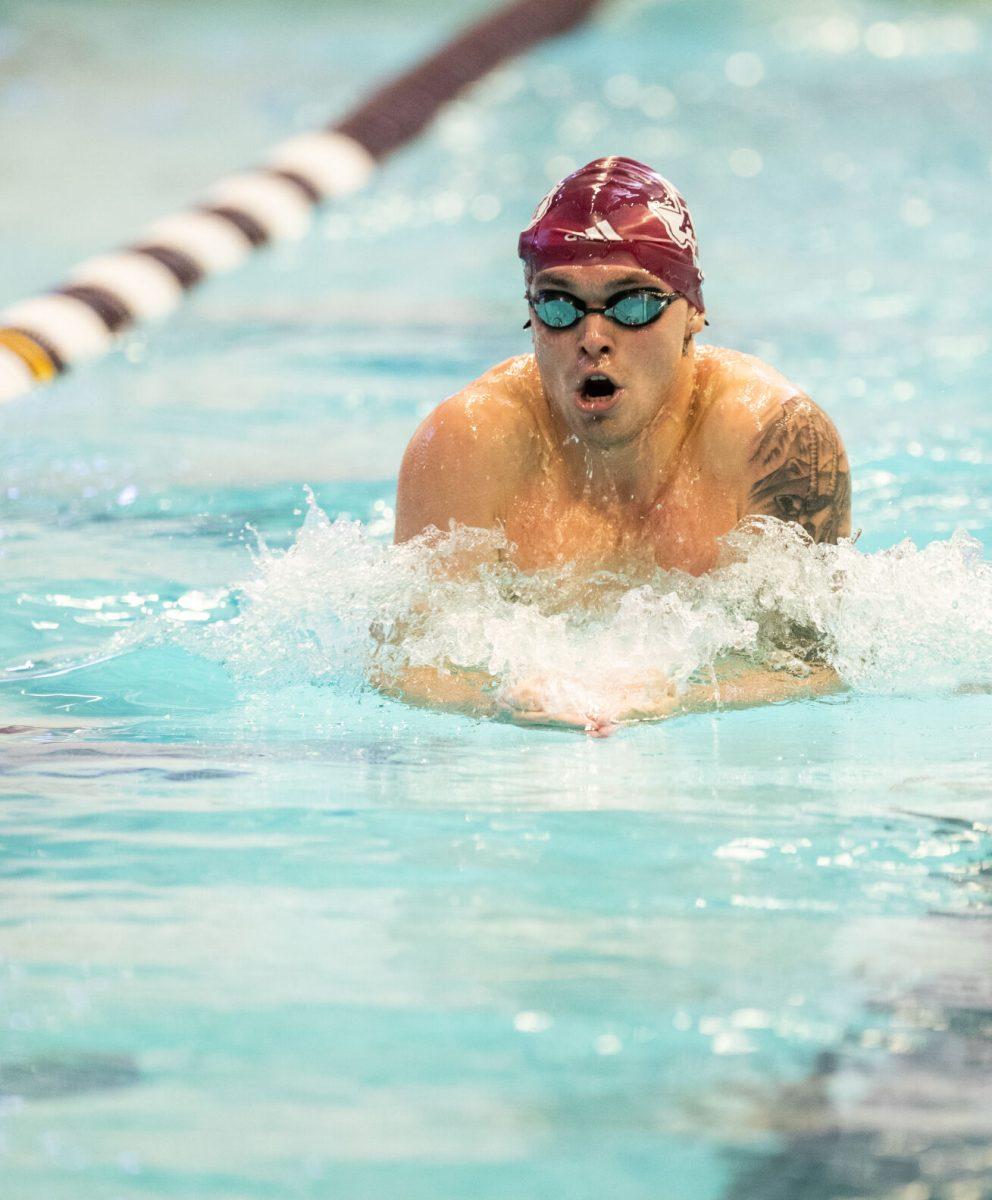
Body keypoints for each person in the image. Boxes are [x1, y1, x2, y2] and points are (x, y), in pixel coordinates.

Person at [383, 156, 851, 733]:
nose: (594, 339)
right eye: (559, 305)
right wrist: (500, 701)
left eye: (633, 305)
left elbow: (816, 667)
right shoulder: (467, 443)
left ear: (693, 314)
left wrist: (677, 696)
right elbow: (403, 665)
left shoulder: (773, 439)